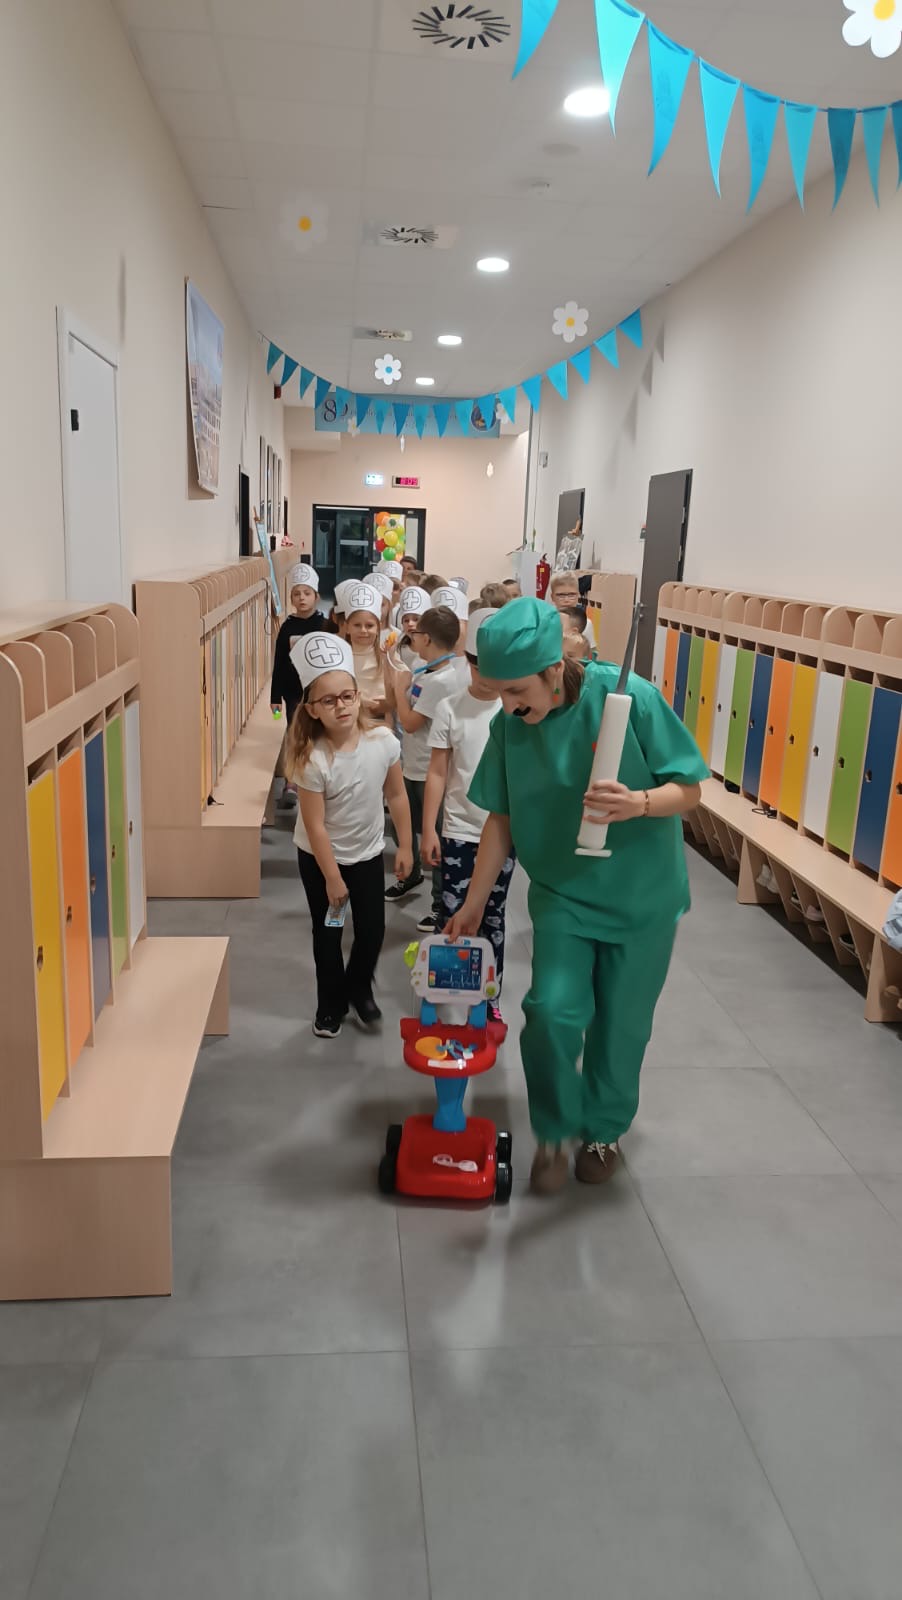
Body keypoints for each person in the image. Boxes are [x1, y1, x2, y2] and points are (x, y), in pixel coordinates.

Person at [444, 598, 709, 1196]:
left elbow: (690, 788)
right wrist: (474, 903)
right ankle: (555, 1129)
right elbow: (501, 818)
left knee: (622, 1027)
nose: (509, 706)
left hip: (642, 896)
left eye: (517, 691)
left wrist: (638, 803)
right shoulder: (511, 728)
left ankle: (602, 1132)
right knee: (550, 1012)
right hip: (564, 891)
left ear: (552, 669)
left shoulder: (630, 700)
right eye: (498, 693)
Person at [286, 632, 413, 1039]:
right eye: (328, 701)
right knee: (328, 933)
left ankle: (359, 986)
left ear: (359, 697)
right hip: (322, 861)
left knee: (373, 930)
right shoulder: (313, 760)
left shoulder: (383, 742)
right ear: (312, 710)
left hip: (367, 854)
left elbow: (396, 794)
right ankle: (330, 1005)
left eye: (347, 696)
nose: (340, 706)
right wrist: (332, 877)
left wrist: (406, 845)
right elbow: (315, 826)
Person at [421, 609, 515, 1025]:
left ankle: (488, 996)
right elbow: (438, 772)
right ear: (466, 660)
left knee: (493, 916)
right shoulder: (450, 708)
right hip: (459, 831)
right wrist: (429, 828)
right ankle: (444, 987)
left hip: (505, 832)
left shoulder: (513, 711)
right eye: (477, 666)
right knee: (453, 913)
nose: (485, 677)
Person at [384, 604, 460, 927]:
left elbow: (411, 722)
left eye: (416, 633)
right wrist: (391, 665)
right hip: (411, 764)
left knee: (436, 839)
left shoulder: (443, 680)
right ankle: (411, 873)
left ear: (426, 638)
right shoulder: (423, 667)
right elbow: (396, 699)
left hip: (430, 770)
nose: (411, 637)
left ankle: (440, 903)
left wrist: (399, 689)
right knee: (402, 827)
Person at [270, 562, 335, 811]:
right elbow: (279, 663)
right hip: (293, 694)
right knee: (295, 735)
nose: (302, 598)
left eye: (307, 593)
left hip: (319, 693)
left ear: (316, 596)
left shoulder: (325, 626)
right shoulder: (287, 627)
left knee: (320, 736)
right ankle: (291, 782)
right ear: (291, 599)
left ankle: (322, 782)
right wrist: (275, 697)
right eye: (297, 594)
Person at [343, 582, 388, 719]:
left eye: (369, 625)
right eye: (357, 625)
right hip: (350, 718)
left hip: (379, 719)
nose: (363, 630)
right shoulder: (341, 657)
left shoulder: (386, 655)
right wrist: (361, 702)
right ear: (347, 627)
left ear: (379, 627)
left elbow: (398, 687)